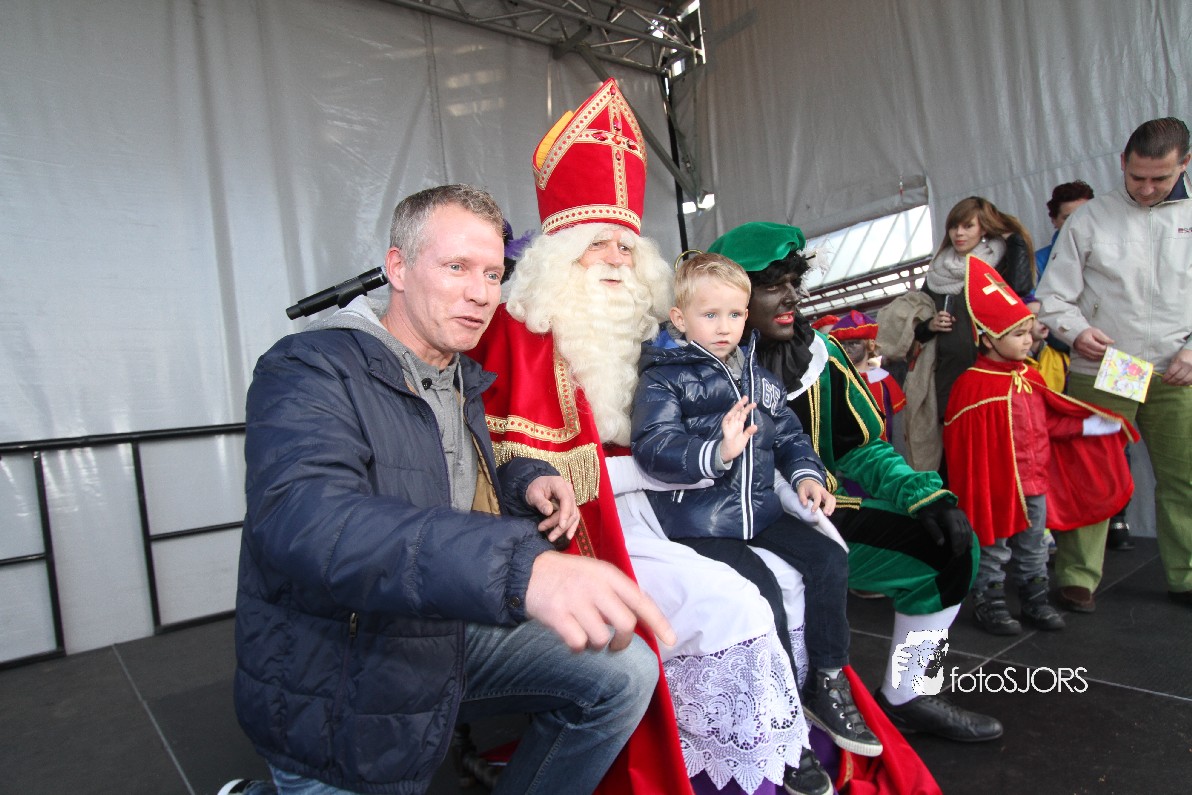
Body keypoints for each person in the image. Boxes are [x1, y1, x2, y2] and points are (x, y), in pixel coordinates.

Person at [225, 184, 675, 795]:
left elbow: (436, 484)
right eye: (457, 267)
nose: (481, 293)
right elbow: (309, 523)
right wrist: (523, 569)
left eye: (492, 273)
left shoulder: (458, 372)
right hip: (345, 661)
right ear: (398, 267)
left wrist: (523, 481)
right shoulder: (310, 368)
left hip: (442, 624)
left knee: (624, 674)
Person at [472, 79, 847, 795]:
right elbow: (510, 475)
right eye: (598, 244)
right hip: (582, 533)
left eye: (627, 244)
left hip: (673, 509)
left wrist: (787, 480)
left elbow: (743, 424)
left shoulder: (655, 332)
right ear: (559, 254)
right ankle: (741, 768)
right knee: (732, 604)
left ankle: (790, 727)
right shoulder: (520, 336)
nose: (618, 258)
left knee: (800, 574)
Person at [707, 221, 1003, 743]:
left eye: (794, 282)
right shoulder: (693, 365)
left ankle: (910, 693)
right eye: (773, 285)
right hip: (725, 531)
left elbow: (860, 446)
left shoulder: (820, 356)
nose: (791, 297)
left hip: (819, 514)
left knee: (947, 550)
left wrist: (921, 495)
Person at [631, 253, 883, 760]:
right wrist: (715, 452)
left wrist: (807, 475)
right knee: (763, 590)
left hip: (760, 512)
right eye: (710, 314)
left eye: (734, 314)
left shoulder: (759, 376)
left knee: (830, 557)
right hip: (701, 521)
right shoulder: (664, 379)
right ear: (679, 317)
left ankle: (827, 679)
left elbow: (789, 435)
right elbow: (653, 446)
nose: (724, 327)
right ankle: (781, 709)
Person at [1036, 116, 1192, 611]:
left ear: (1185, 164)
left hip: (1176, 368)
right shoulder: (1089, 220)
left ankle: (1186, 575)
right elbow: (1052, 298)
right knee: (1090, 473)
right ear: (1122, 163)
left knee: (1185, 478)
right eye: (1136, 176)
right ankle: (1077, 576)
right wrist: (1076, 331)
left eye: (1159, 178)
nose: (1145, 188)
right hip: (1110, 368)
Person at [943, 257, 1136, 635]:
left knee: (1034, 546)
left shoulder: (1031, 376)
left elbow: (1049, 421)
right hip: (996, 489)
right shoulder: (972, 384)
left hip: (1034, 483)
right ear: (988, 339)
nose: (1027, 341)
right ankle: (988, 602)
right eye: (1017, 334)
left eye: (1029, 333)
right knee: (994, 547)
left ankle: (1035, 600)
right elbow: (965, 446)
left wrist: (1092, 425)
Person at [877, 197, 1034, 473]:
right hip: (946, 379)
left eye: (967, 226)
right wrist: (930, 325)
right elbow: (917, 330)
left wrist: (1015, 240)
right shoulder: (937, 272)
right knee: (952, 459)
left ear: (983, 228)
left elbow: (1019, 290)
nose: (958, 233)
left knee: (995, 458)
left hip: (990, 375)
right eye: (953, 227)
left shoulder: (998, 262)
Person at [829, 309, 906, 445]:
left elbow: (899, 426)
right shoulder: (834, 380)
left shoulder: (884, 380)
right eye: (842, 344)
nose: (846, 349)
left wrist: (898, 453)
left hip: (884, 452)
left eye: (853, 343)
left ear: (869, 345)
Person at [1034, 180, 1095, 281]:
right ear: (1054, 220)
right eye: (1068, 218)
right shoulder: (1037, 262)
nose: (1077, 223)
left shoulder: (1115, 249)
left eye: (1083, 215)